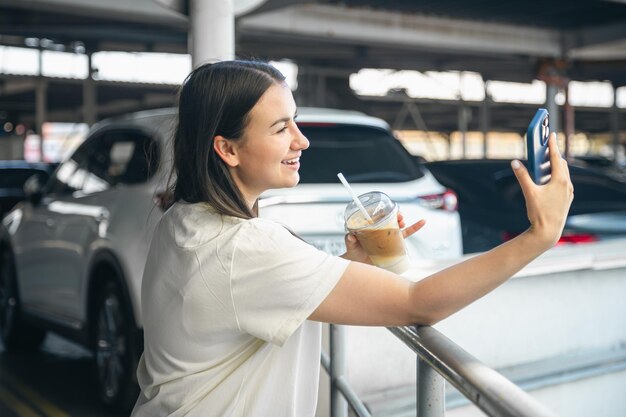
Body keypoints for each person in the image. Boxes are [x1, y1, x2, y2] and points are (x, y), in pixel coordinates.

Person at [131, 60, 573, 417]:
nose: (301, 141)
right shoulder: (244, 247)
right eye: (281, 128)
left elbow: (249, 295)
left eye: (295, 122)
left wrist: (350, 264)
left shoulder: (183, 220)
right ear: (227, 149)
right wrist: (539, 236)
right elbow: (420, 302)